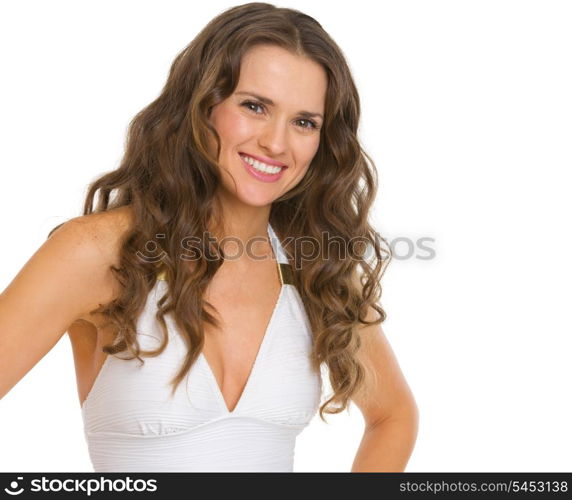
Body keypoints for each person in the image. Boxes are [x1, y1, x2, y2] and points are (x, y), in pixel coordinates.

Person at [0, 2, 418, 472]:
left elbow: (393, 415)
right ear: (202, 107)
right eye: (254, 106)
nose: (277, 144)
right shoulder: (96, 253)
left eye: (305, 122)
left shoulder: (313, 265)